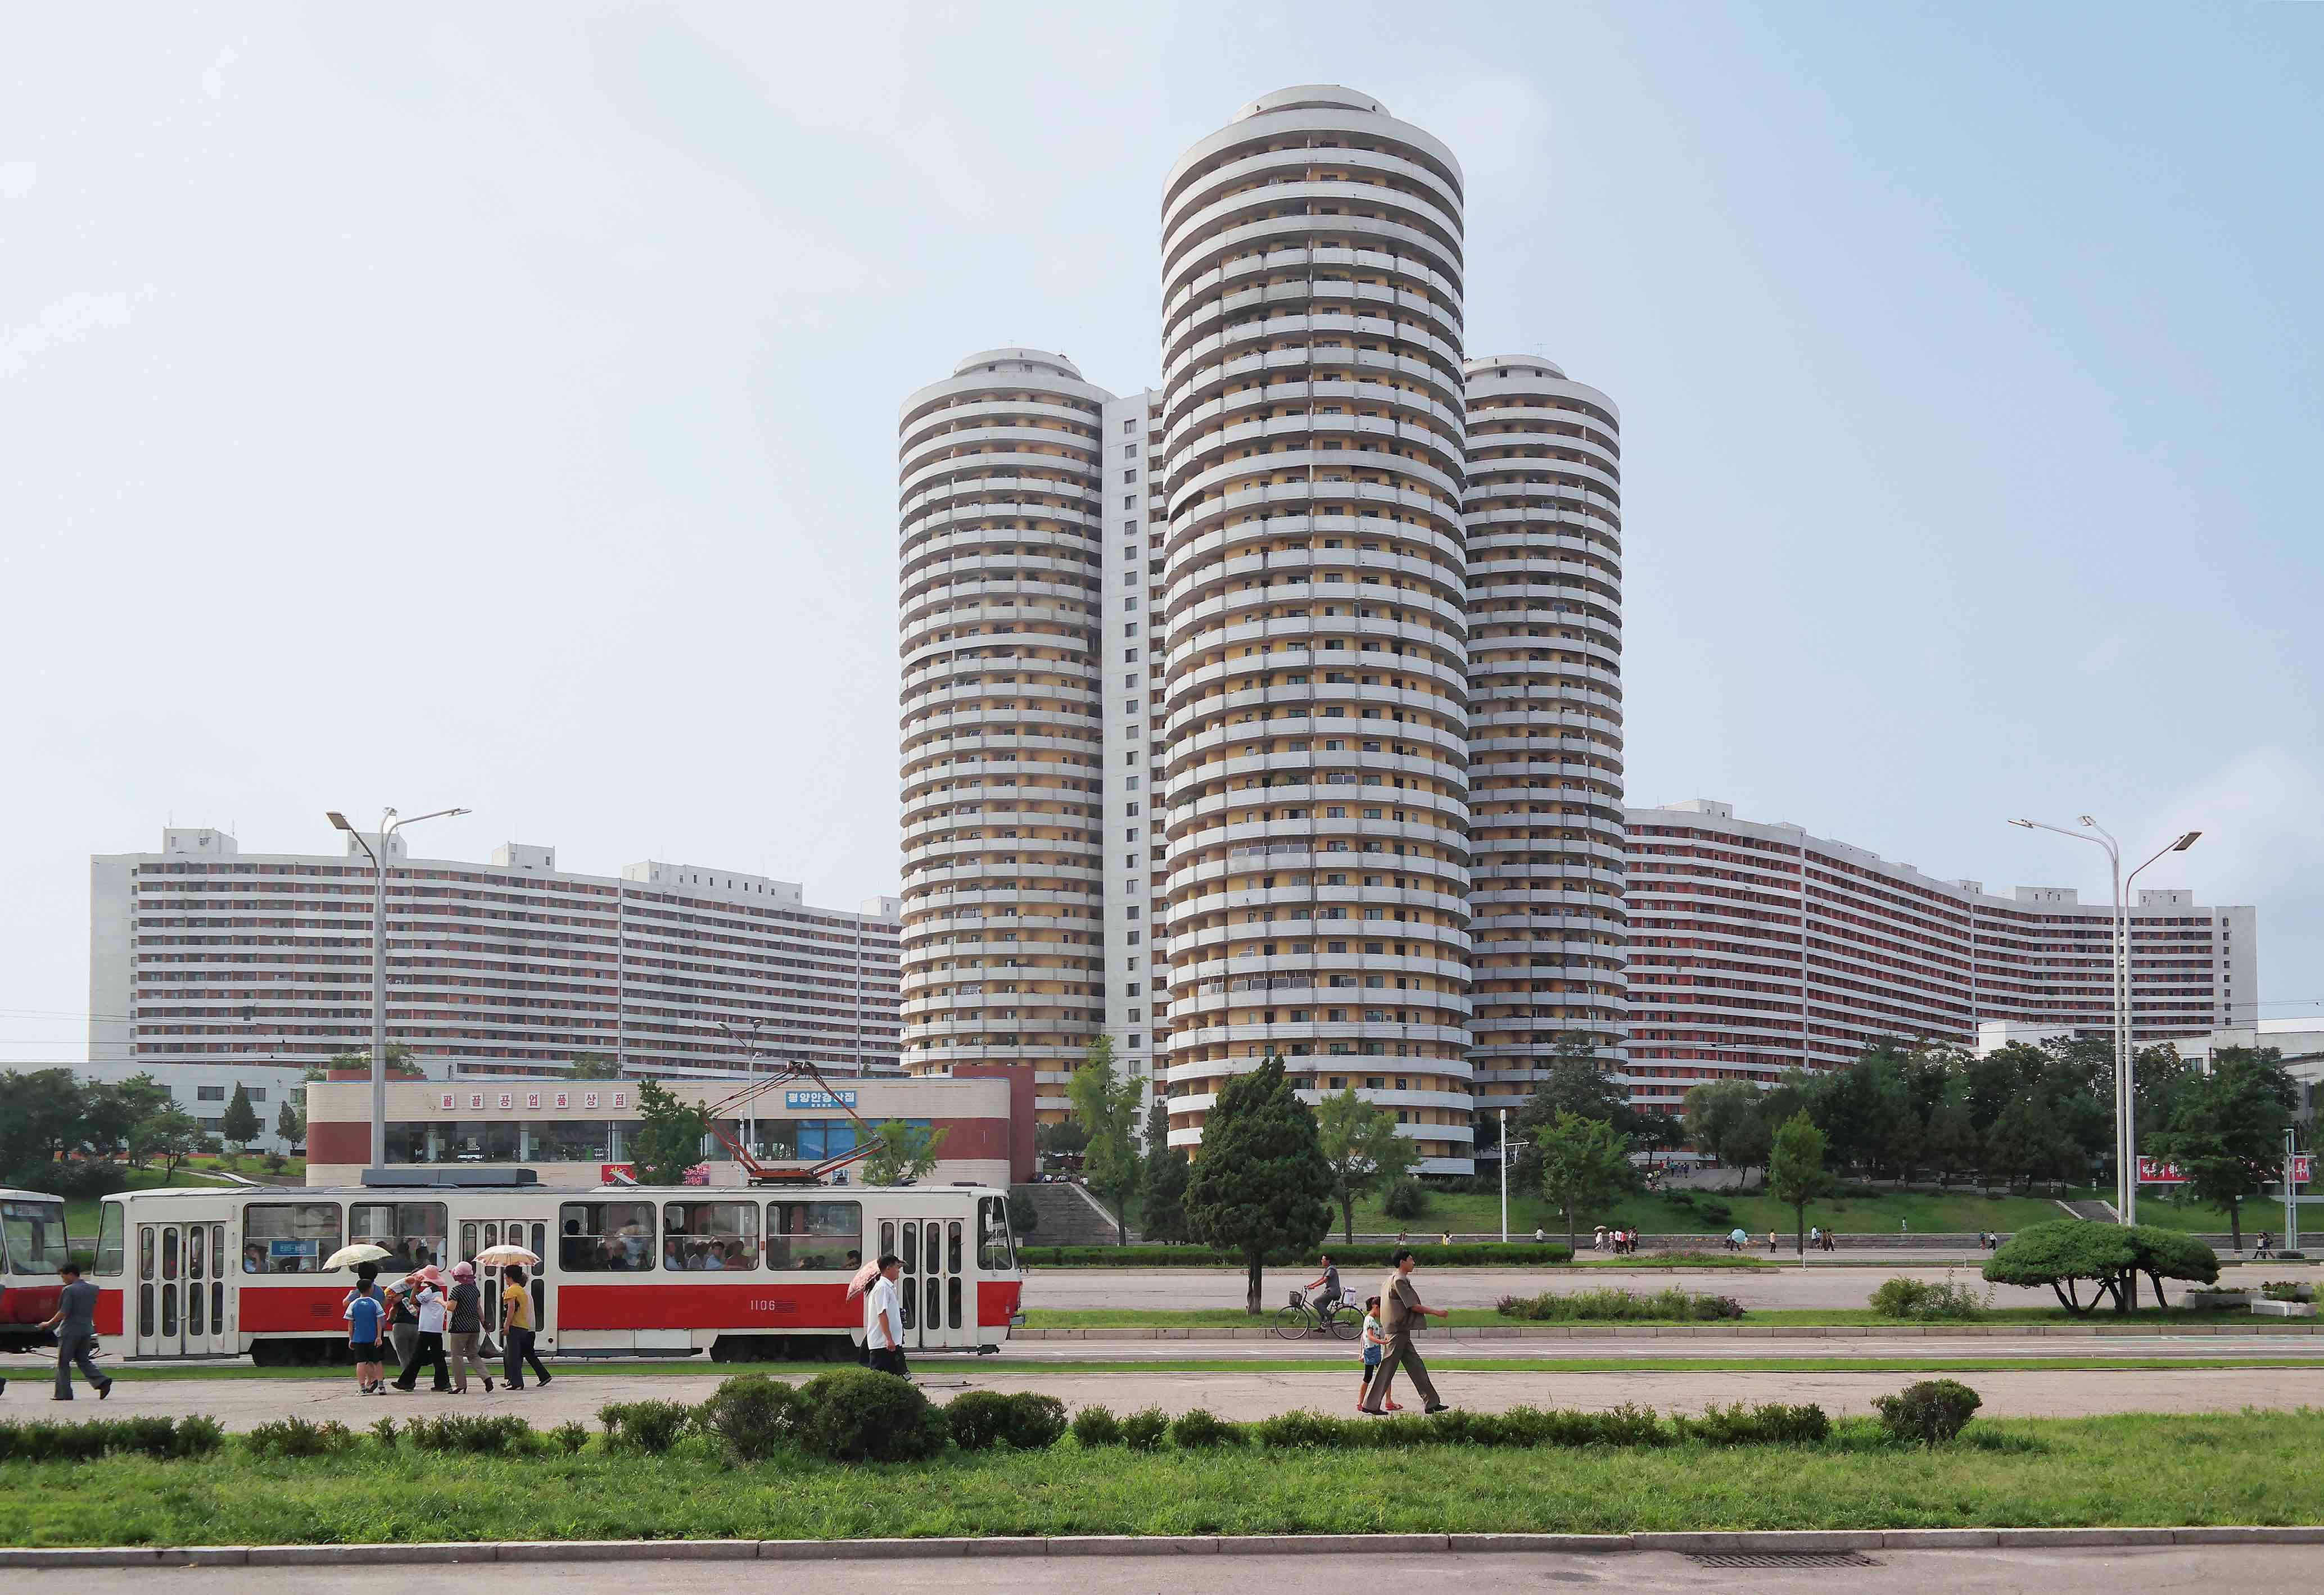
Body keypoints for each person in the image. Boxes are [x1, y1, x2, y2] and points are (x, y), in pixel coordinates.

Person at [1358, 1248, 1447, 1416]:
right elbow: (1412, 1305)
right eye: (1411, 1259)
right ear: (1402, 1262)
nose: (1414, 1262)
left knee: (1417, 1367)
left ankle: (1432, 1403)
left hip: (1400, 1330)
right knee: (1387, 1368)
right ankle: (1371, 1405)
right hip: (1398, 1331)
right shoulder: (1399, 1280)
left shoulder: (1390, 1280)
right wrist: (1436, 1312)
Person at [39, 1262, 112, 1402]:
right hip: (86, 1329)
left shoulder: (69, 1290)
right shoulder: (93, 1289)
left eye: (64, 1277)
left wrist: (48, 1323)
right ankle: (102, 1381)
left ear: (71, 1274)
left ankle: (63, 1394)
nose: (63, 1280)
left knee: (63, 1363)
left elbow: (64, 1312)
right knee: (83, 1360)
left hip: (70, 1331)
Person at [394, 1267, 451, 1393]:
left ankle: (406, 1382)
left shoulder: (429, 1291)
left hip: (427, 1328)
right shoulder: (438, 1291)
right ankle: (443, 1382)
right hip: (435, 1328)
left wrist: (416, 1286)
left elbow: (413, 1300)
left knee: (418, 1356)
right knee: (436, 1357)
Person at [445, 1261, 494, 1394]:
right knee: (473, 1354)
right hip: (474, 1327)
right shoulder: (475, 1290)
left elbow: (451, 1307)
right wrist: (483, 1323)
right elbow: (479, 1308)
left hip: (459, 1328)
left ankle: (461, 1385)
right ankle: (487, 1378)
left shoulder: (457, 1290)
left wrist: (440, 1302)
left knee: (457, 1356)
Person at [500, 1265, 551, 1389]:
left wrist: (506, 1325)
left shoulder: (512, 1291)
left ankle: (516, 1382)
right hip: (525, 1328)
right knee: (514, 1354)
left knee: (514, 1356)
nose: (505, 1279)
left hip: (518, 1327)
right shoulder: (524, 1293)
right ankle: (514, 1380)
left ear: (509, 1277)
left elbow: (512, 1309)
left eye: (506, 1276)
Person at [865, 1252, 908, 1378]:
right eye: (896, 1267)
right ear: (888, 1268)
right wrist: (889, 1339)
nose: (898, 1271)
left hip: (892, 1344)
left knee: (899, 1377)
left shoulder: (889, 1288)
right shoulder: (882, 1288)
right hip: (884, 1345)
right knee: (883, 1380)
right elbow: (882, 1314)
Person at [344, 1269, 387, 1395]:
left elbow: (350, 1324)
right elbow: (379, 1321)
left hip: (359, 1338)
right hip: (373, 1338)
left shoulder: (353, 1304)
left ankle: (362, 1388)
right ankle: (381, 1386)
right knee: (377, 1362)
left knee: (361, 1363)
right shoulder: (375, 1303)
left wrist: (351, 1339)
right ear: (370, 1289)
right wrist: (379, 1337)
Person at [1355, 1294, 1399, 1413]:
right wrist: (1383, 1342)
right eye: (1382, 1309)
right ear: (1375, 1307)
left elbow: (1364, 1337)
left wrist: (1361, 1353)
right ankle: (1387, 1401)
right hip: (1373, 1352)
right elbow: (1369, 1336)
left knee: (1371, 1377)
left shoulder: (1368, 1319)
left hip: (1371, 1351)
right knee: (1383, 1376)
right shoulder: (1371, 1320)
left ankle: (1361, 1402)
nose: (1383, 1313)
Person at [1306, 1254, 1344, 1321]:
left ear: (1328, 1261)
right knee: (1321, 1308)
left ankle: (1330, 1317)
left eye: (1323, 1259)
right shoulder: (1328, 1269)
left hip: (1333, 1292)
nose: (1322, 1261)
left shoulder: (1332, 1269)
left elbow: (1325, 1280)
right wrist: (1312, 1285)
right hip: (1330, 1292)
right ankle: (1323, 1326)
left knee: (1316, 1302)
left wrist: (1314, 1286)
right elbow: (1322, 1279)